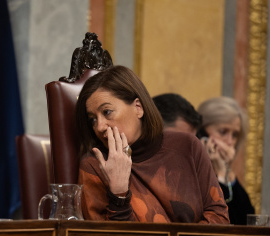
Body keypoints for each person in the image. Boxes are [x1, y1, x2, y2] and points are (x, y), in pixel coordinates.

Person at [75, 65, 229, 223]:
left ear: (138, 108)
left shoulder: (188, 146)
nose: (99, 127)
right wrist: (119, 194)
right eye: (92, 119)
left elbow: (219, 219)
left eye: (107, 112)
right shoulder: (95, 165)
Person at [197, 97, 255, 225]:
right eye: (223, 132)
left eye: (234, 135)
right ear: (202, 133)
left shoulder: (229, 176)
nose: (230, 142)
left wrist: (224, 173)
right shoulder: (191, 173)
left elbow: (245, 222)